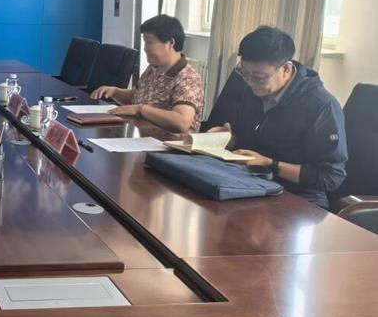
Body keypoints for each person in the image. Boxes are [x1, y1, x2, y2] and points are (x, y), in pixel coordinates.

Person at [203, 26, 347, 209]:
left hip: (297, 201)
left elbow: (330, 177)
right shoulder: (251, 89)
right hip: (248, 186)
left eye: (259, 77)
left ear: (286, 69)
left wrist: (270, 164)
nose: (250, 82)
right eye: (244, 72)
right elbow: (249, 146)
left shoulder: (321, 105)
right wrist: (227, 139)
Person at [90, 14, 203, 133]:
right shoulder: (153, 68)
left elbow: (181, 122)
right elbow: (137, 97)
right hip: (143, 136)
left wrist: (141, 109)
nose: (145, 48)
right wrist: (115, 92)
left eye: (149, 42)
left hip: (168, 142)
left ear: (170, 43)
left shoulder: (187, 78)